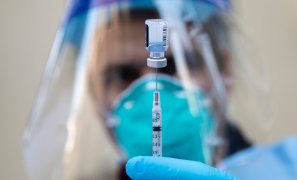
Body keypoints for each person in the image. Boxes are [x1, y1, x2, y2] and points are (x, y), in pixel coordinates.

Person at [24, 0, 248, 179]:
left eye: (174, 66)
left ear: (224, 71)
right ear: (94, 93)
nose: (152, 94)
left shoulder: (278, 172)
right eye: (123, 75)